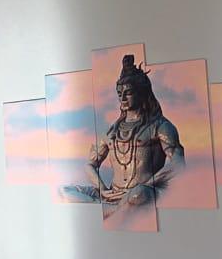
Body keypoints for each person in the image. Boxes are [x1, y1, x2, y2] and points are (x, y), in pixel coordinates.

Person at [60, 55, 184, 211]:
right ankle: (111, 207)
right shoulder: (112, 131)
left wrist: (148, 184)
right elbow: (89, 164)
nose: (123, 98)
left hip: (143, 191)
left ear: (142, 93)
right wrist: (103, 189)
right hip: (113, 192)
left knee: (137, 195)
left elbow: (178, 163)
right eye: (119, 93)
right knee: (65, 191)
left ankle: (113, 209)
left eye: (129, 93)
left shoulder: (160, 126)